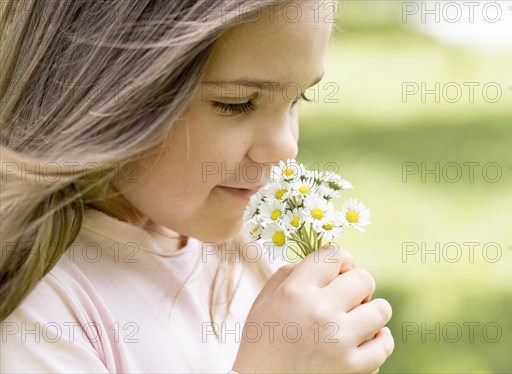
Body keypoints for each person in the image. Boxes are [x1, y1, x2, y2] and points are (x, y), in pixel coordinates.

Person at [0, 0, 394, 372]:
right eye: (237, 103)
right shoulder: (36, 308)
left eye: (298, 97)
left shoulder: (247, 255)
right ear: (101, 90)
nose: (285, 148)